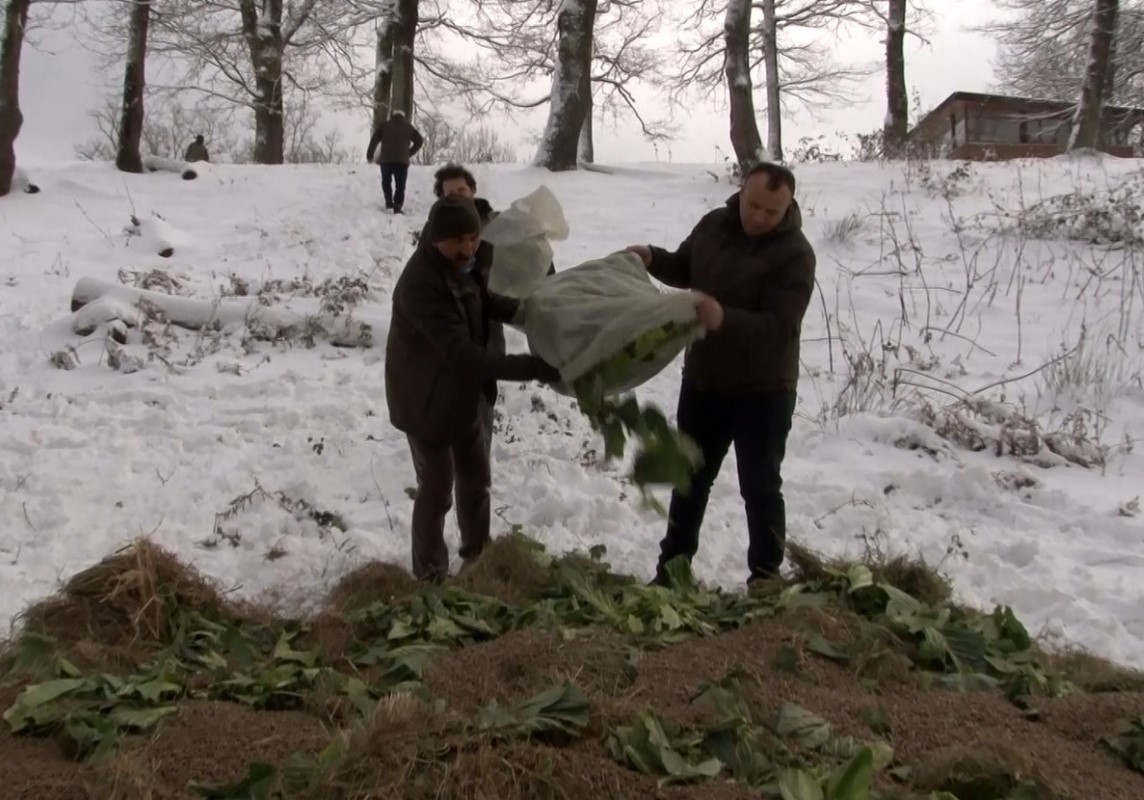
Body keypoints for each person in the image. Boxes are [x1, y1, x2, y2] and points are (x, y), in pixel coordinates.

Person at [626, 161, 816, 587]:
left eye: (772, 211)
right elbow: (685, 265)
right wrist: (653, 258)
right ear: (741, 192)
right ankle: (672, 571)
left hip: (764, 390)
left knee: (760, 487)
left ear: (787, 207)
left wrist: (723, 317)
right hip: (705, 382)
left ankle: (765, 579)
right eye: (753, 205)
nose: (760, 217)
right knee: (689, 478)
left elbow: (779, 327)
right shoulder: (714, 225)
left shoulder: (796, 255)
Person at [385, 195, 562, 582]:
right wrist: (535, 367)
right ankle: (430, 575)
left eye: (473, 239)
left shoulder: (465, 266)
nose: (468, 249)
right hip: (425, 401)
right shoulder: (420, 286)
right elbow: (463, 355)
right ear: (435, 239)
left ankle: (478, 560)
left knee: (476, 481)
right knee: (436, 490)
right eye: (458, 241)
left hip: (462, 397)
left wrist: (532, 314)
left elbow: (485, 303)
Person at [427, 162, 556, 459]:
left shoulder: (499, 225)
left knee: (483, 390)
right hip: (452, 322)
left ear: (473, 190)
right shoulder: (438, 233)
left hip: (489, 319)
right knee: (452, 387)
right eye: (450, 194)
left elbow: (535, 257)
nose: (458, 196)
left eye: (462, 190)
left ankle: (478, 457)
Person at [366, 109, 424, 214]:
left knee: (386, 181)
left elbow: (374, 140)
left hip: (386, 160)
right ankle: (397, 205)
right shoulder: (408, 127)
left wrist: (370, 154)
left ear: (392, 115)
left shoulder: (385, 126)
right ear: (403, 116)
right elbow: (419, 141)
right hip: (402, 161)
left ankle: (388, 202)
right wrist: (409, 152)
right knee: (400, 184)